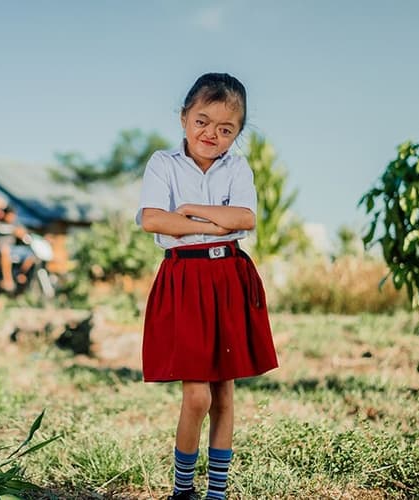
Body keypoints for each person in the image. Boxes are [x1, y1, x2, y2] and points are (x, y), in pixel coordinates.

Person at [136, 73, 278, 500]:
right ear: (183, 118)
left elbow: (246, 219)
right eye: (202, 121)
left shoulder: (238, 166)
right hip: (184, 280)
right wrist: (218, 218)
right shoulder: (163, 163)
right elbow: (153, 219)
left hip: (229, 279)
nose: (211, 134)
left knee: (224, 394)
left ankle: (217, 492)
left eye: (225, 128)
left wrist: (194, 211)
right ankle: (183, 490)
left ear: (237, 133)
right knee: (196, 396)